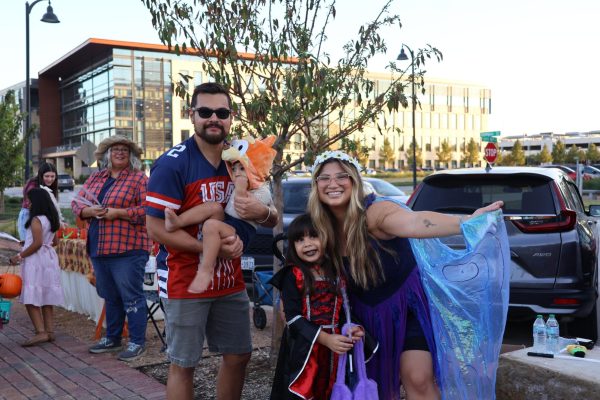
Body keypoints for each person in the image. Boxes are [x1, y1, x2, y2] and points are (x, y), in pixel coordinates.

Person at [307, 150, 503, 400]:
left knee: (418, 377)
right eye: (324, 178)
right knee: (373, 386)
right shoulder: (318, 228)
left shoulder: (375, 212)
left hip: (406, 307)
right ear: (316, 184)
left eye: (341, 176)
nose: (333, 183)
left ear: (354, 181)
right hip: (361, 317)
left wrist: (465, 222)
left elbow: (414, 222)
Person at [145, 82, 278, 400]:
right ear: (192, 115)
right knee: (183, 363)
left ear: (231, 117)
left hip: (229, 280)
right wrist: (209, 247)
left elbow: (271, 219)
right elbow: (156, 230)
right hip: (184, 278)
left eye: (222, 112)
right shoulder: (173, 164)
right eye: (205, 112)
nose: (213, 118)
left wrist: (261, 212)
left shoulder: (240, 159)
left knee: (238, 355)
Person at [71, 135, 150, 362]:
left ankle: (137, 342)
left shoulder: (138, 180)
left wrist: (119, 213)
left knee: (131, 297)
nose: (120, 152)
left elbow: (148, 210)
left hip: (128, 249)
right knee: (110, 296)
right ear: (107, 154)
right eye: (115, 149)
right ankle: (113, 338)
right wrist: (88, 212)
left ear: (131, 155)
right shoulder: (96, 178)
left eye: (124, 149)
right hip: (99, 247)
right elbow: (78, 203)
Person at [269, 213, 366, 400]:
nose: (307, 244)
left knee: (333, 389)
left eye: (314, 236)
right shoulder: (293, 275)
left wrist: (352, 327)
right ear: (293, 246)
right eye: (299, 240)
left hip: (336, 347)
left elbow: (345, 310)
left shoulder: (337, 273)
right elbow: (293, 318)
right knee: (304, 390)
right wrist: (325, 339)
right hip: (305, 348)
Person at [164, 135, 276, 294]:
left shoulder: (262, 190)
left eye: (242, 168)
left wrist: (241, 186)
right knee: (214, 207)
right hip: (229, 221)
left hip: (242, 231)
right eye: (234, 168)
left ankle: (206, 269)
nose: (236, 173)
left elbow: (241, 204)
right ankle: (177, 222)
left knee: (210, 225)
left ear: (255, 170)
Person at [9, 188, 63, 346]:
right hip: (49, 259)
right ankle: (49, 330)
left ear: (37, 202)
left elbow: (37, 243)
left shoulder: (36, 219)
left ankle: (40, 332)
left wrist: (19, 255)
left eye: (30, 200)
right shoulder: (52, 219)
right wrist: (28, 242)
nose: (28, 203)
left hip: (35, 260)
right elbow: (54, 242)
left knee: (30, 296)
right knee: (46, 294)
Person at [17, 162, 60, 241]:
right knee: (28, 244)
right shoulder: (33, 185)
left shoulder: (51, 187)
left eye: (52, 176)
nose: (50, 179)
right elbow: (32, 205)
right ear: (41, 175)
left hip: (43, 217)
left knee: (41, 246)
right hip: (29, 215)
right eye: (47, 176)